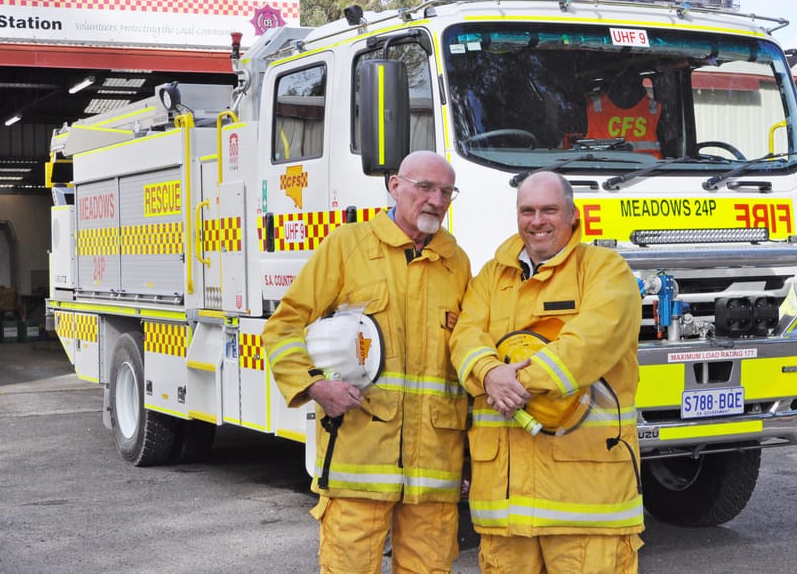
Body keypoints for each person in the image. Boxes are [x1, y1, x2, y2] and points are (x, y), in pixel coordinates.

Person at [263, 150, 472, 574]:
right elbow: (283, 326)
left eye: (446, 191)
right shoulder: (348, 246)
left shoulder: (457, 262)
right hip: (359, 462)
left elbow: (467, 353)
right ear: (395, 186)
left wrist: (470, 456)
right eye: (425, 187)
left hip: (434, 472)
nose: (436, 200)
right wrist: (315, 385)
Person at [449, 170, 644, 573]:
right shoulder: (491, 276)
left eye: (549, 210)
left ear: (573, 215)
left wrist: (512, 382)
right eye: (528, 211)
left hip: (585, 504)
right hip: (505, 508)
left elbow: (589, 342)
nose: (537, 221)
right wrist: (488, 373)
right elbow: (465, 336)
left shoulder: (606, 270)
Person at [584, 66, 663, 157]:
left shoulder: (593, 110)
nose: (625, 89)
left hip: (602, 164)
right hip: (649, 165)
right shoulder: (654, 110)